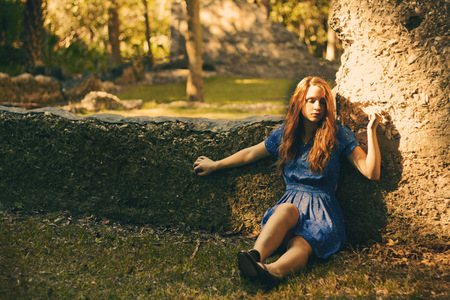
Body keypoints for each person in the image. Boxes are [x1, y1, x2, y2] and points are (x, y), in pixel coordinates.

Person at [193, 76, 381, 285]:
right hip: (288, 211)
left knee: (301, 245)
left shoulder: (337, 135)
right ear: (299, 102)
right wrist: (215, 164)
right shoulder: (286, 134)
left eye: (322, 101)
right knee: (286, 209)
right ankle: (254, 257)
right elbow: (250, 154)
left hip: (322, 214)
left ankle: (271, 271)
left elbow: (371, 172)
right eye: (310, 100)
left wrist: (371, 132)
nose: (317, 106)